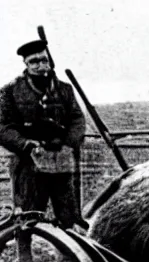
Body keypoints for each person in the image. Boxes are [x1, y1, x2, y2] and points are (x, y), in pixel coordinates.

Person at [0, 39, 88, 229]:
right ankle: (25, 258)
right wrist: (24, 144)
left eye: (44, 60)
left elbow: (77, 120)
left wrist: (68, 144)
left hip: (62, 162)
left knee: (70, 220)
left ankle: (68, 257)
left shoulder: (64, 89)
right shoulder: (10, 91)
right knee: (26, 221)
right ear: (26, 64)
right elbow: (3, 127)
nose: (41, 66)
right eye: (34, 62)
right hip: (28, 164)